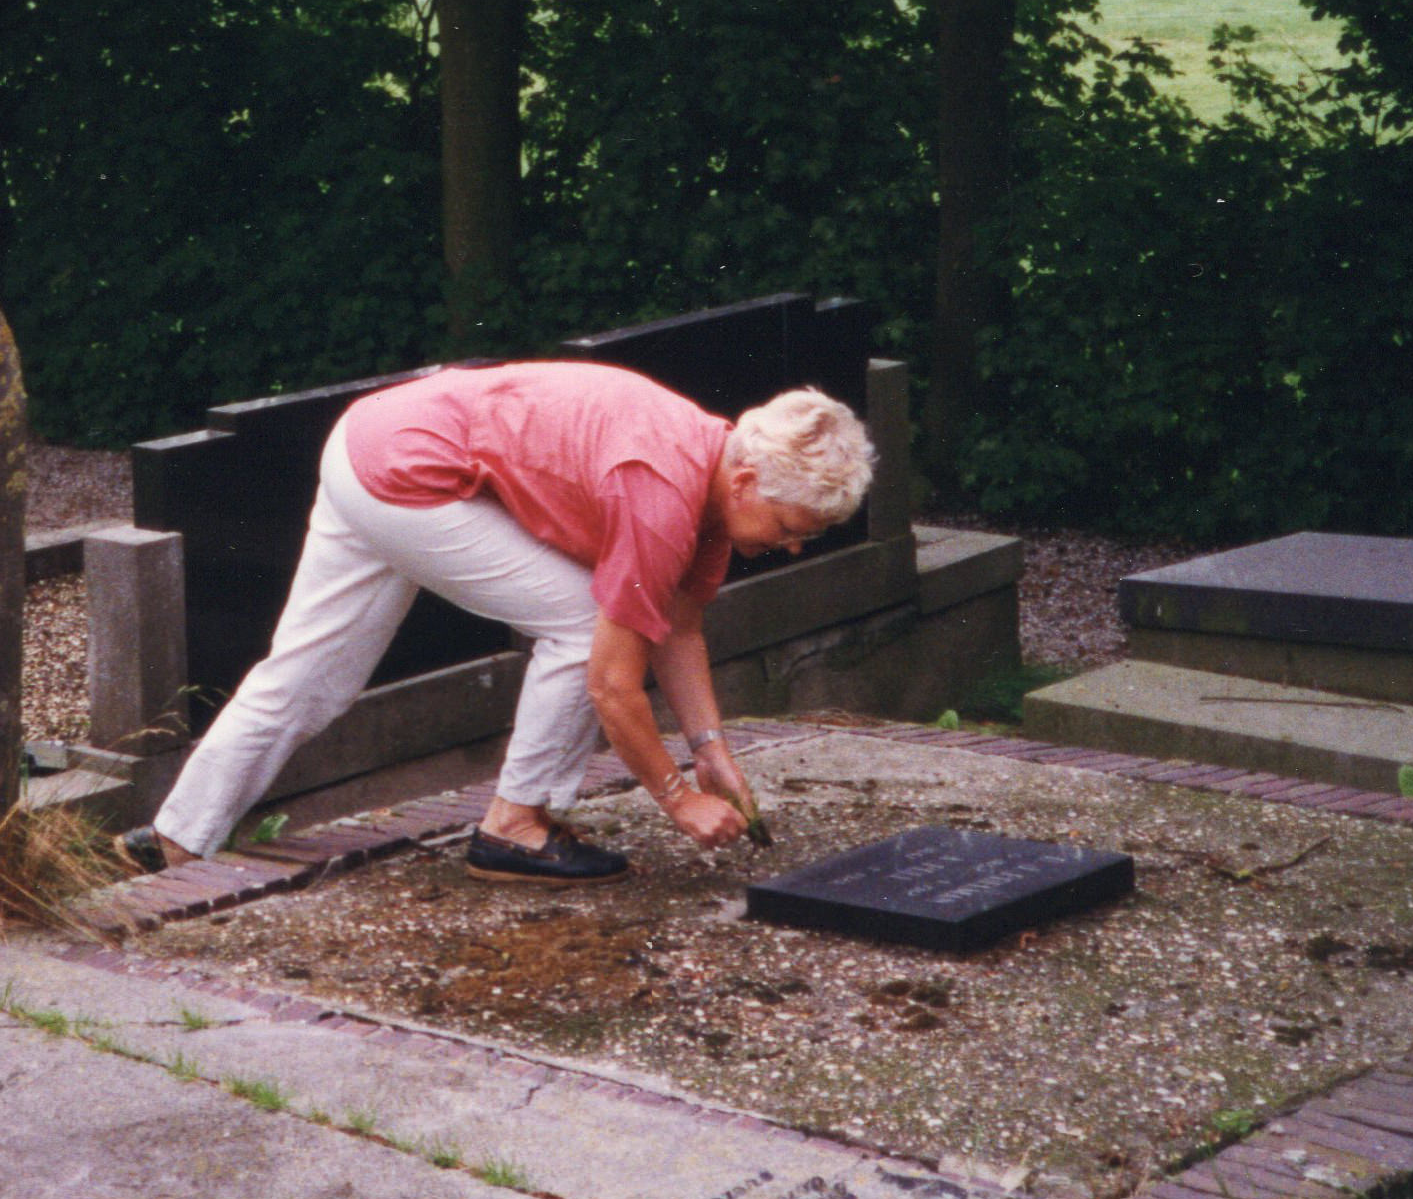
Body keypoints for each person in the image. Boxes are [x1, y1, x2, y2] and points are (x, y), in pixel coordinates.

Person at [131, 363, 872, 883]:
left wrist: (710, 750)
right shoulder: (662, 494)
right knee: (584, 625)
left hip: (369, 442)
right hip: (410, 470)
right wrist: (678, 800)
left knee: (307, 676)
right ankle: (515, 825)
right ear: (746, 481)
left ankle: (175, 838)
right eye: (789, 526)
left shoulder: (715, 473)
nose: (793, 546)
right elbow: (613, 685)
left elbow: (679, 627)